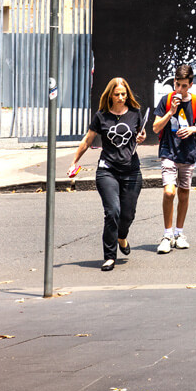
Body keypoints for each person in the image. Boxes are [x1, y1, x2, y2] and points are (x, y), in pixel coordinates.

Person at [68, 78, 148, 271]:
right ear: (110, 95)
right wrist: (74, 162)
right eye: (117, 94)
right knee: (112, 211)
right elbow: (87, 140)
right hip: (108, 170)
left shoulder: (135, 113)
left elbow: (141, 134)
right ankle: (109, 257)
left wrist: (142, 137)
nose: (121, 97)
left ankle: (122, 237)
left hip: (131, 171)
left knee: (127, 215)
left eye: (124, 94)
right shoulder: (101, 116)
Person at [151, 64, 196, 254]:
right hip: (168, 150)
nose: (180, 89)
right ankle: (167, 235)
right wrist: (171, 111)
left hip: (188, 152)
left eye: (184, 86)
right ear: (174, 82)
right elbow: (155, 127)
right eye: (177, 84)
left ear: (190, 85)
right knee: (169, 192)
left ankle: (179, 233)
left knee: (184, 193)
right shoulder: (166, 100)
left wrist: (193, 129)